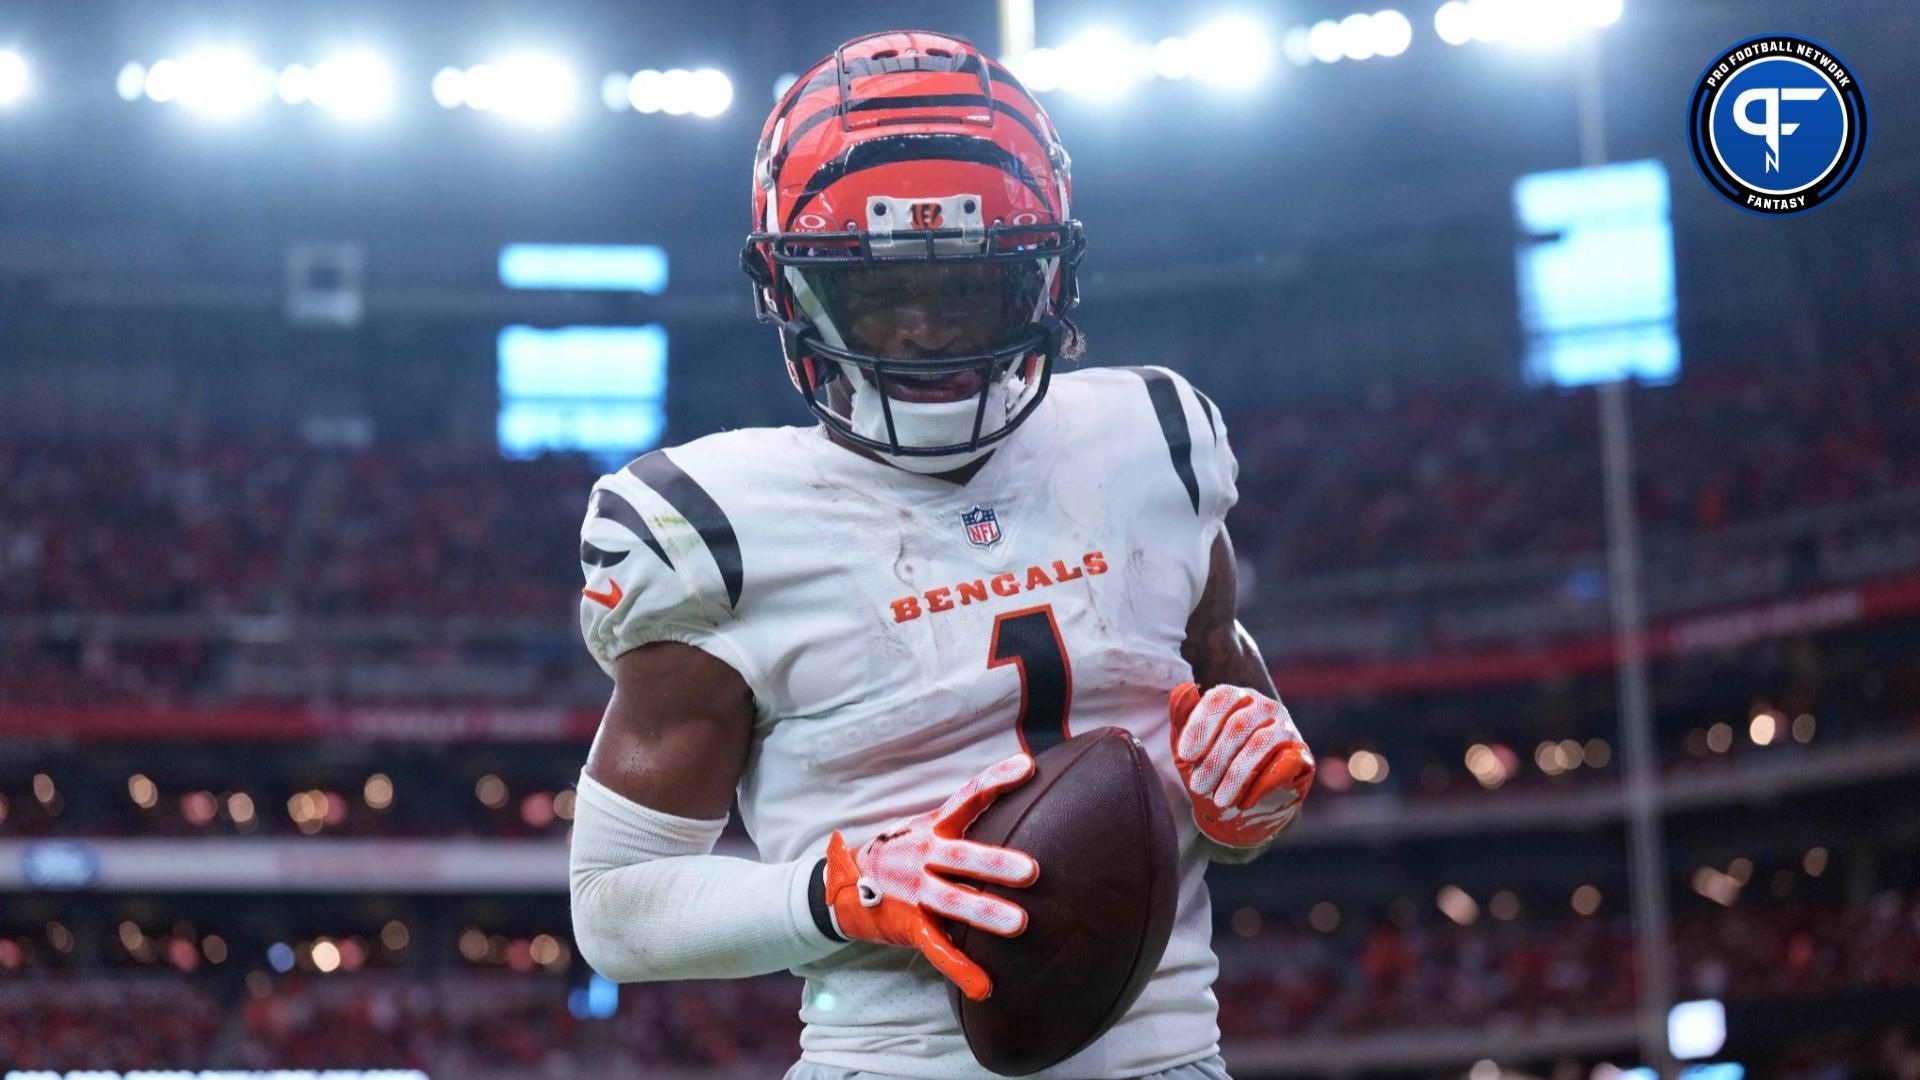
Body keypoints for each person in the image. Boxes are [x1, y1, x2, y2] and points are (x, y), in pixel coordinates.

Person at [567, 29, 1315, 1080]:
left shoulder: (1157, 443)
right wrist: (845, 889)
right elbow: (612, 910)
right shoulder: (713, 525)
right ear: (791, 292)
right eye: (879, 295)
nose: (922, 332)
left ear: (1045, 279)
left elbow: (1235, 741)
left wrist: (1254, 797)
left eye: (968, 288)